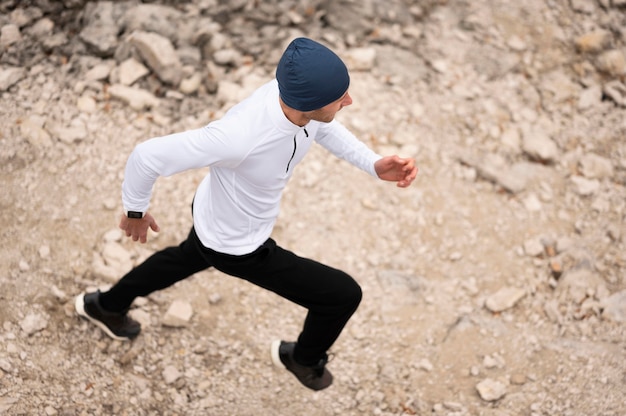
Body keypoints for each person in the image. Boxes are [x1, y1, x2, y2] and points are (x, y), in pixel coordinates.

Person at [75, 37, 417, 391]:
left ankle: (106, 305)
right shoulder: (239, 137)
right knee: (342, 295)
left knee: (187, 256)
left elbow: (322, 125)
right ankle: (301, 358)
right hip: (236, 244)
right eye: (340, 97)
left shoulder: (292, 99)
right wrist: (135, 211)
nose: (349, 101)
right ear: (307, 102)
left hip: (214, 212)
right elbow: (147, 156)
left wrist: (373, 164)